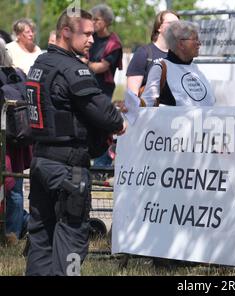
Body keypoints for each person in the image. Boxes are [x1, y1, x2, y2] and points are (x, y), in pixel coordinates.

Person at [24, 8, 126, 276]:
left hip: (41, 162)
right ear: (66, 32)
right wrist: (121, 123)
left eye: (94, 33)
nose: (92, 40)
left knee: (41, 235)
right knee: (72, 238)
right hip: (68, 168)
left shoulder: (40, 64)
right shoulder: (73, 69)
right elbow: (104, 113)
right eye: (87, 34)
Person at [82, 4, 123, 168]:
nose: (93, 22)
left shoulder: (114, 43)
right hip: (86, 86)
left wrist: (84, 63)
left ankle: (102, 164)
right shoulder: (91, 38)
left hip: (103, 91)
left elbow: (102, 67)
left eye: (96, 19)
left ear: (106, 21)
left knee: (103, 127)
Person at [141, 20, 215, 107]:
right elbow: (147, 103)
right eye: (195, 39)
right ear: (181, 44)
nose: (199, 43)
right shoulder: (161, 68)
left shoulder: (194, 68)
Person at [0, 40, 32, 242]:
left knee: (11, 187)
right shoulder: (19, 73)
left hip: (6, 140)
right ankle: (15, 230)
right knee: (15, 186)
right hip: (19, 138)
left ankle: (11, 232)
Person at [126, 10, 179, 96]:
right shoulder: (143, 53)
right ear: (159, 27)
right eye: (171, 23)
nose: (175, 27)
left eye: (178, 24)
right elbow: (132, 94)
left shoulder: (179, 55)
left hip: (176, 109)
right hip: (150, 108)